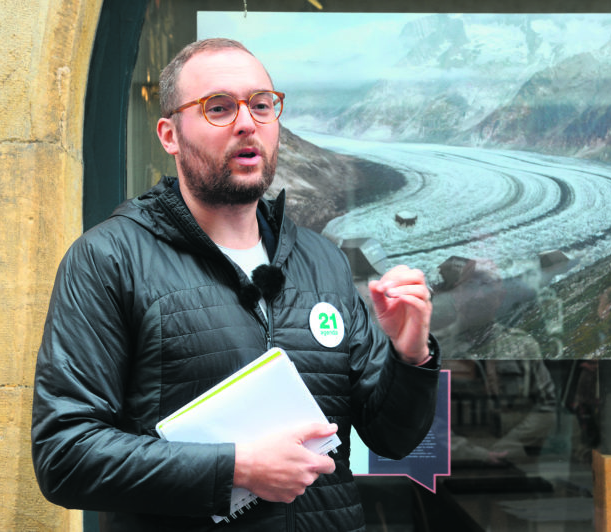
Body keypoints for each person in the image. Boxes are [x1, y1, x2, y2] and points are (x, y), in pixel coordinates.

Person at [31, 38, 441, 532]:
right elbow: (64, 455)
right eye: (219, 108)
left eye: (262, 105)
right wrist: (235, 469)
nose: (247, 123)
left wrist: (410, 356)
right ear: (169, 135)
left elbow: (395, 437)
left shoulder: (322, 260)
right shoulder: (109, 259)